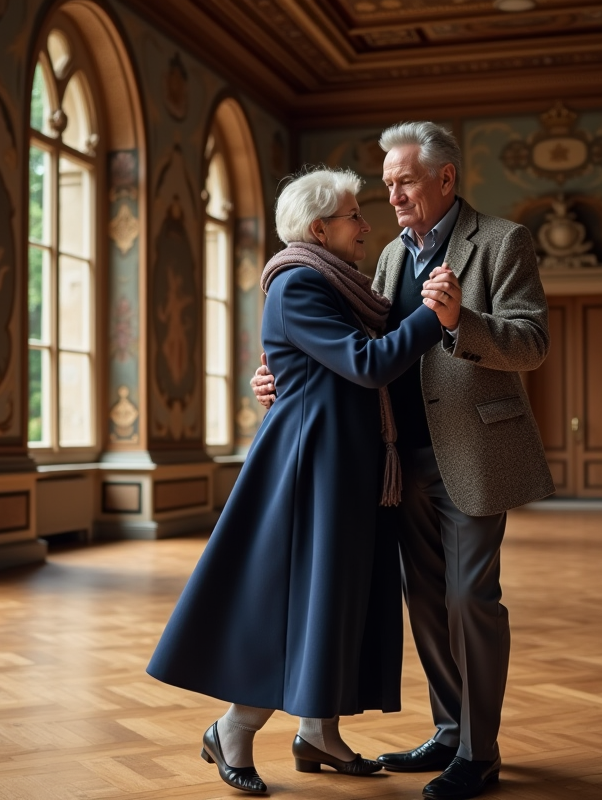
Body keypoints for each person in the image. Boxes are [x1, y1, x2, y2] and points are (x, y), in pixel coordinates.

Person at [252, 122, 552, 800]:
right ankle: (449, 731)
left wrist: (460, 322)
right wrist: (279, 377)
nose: (392, 195)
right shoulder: (387, 257)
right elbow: (355, 351)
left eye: (404, 181)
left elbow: (531, 345)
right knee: (424, 601)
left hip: (475, 454)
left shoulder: (503, 241)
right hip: (399, 462)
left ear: (445, 179)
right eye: (385, 184)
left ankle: (479, 753)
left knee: (469, 599)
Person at [146, 167, 464, 794]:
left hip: (347, 465)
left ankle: (317, 732)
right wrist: (436, 316)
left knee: (333, 598)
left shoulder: (341, 286)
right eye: (354, 215)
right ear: (320, 228)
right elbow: (367, 364)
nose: (367, 225)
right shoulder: (298, 286)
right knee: (289, 603)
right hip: (305, 466)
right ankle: (232, 730)